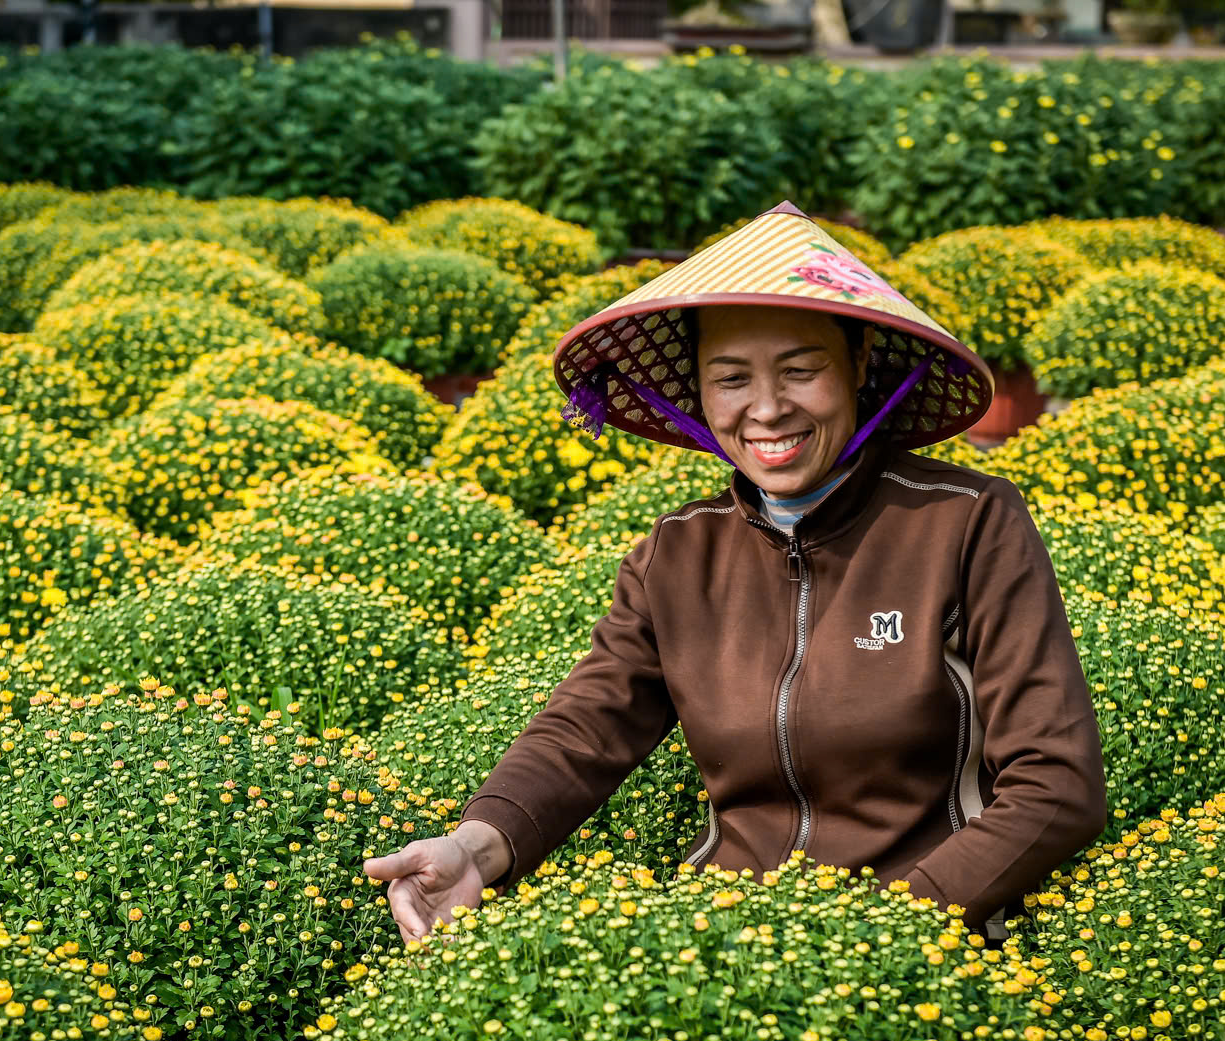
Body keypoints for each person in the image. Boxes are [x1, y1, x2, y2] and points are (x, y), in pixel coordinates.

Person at [365, 201, 1108, 949]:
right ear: (698, 388)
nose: (767, 409)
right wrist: (476, 847)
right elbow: (588, 725)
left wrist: (885, 929)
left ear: (858, 365)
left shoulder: (965, 522)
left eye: (801, 370)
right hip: (726, 942)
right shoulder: (678, 552)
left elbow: (1057, 784)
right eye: (730, 378)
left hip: (920, 949)